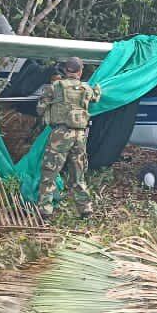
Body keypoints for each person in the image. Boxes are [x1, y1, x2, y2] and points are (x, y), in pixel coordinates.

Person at [36, 57, 102, 219]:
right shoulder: (86, 89)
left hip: (60, 135)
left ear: (66, 70)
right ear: (80, 72)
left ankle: (45, 210)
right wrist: (98, 89)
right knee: (78, 174)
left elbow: (39, 109)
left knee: (49, 172)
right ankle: (85, 209)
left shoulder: (56, 87)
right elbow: (95, 97)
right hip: (80, 136)